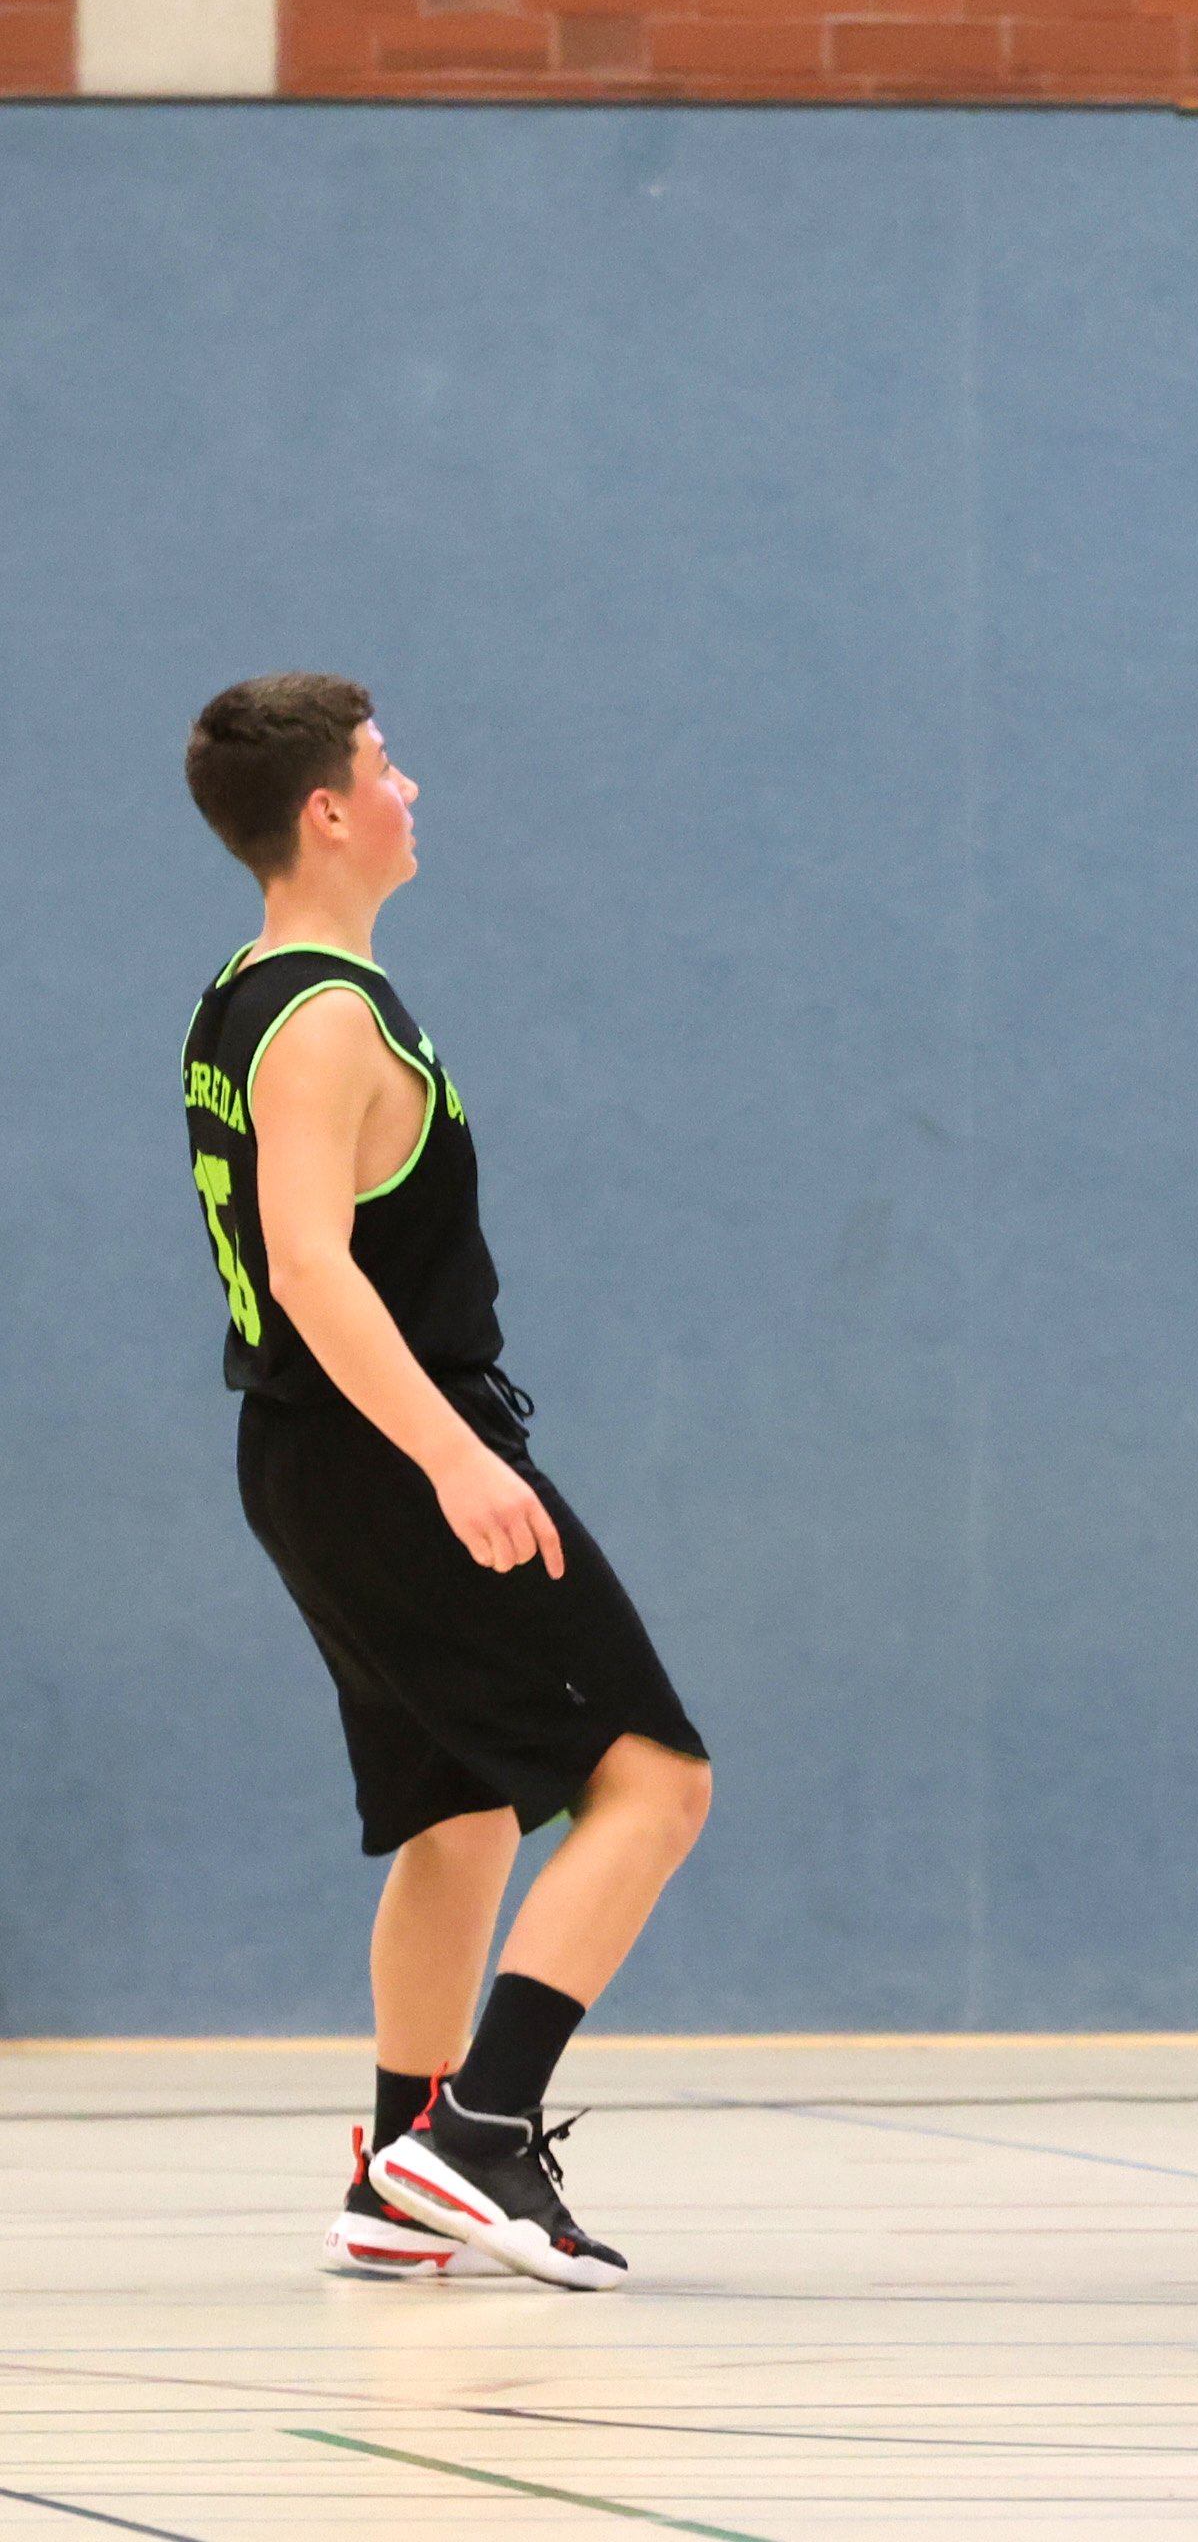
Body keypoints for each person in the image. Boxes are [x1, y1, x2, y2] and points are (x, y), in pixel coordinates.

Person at [178, 678, 711, 2291]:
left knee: (461, 1811)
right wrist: (455, 1456)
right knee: (653, 1782)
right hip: (388, 1451)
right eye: (386, 765)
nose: (411, 787)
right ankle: (478, 2134)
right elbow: (308, 1267)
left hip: (312, 1457)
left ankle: (395, 2165)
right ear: (327, 812)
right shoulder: (328, 1018)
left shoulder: (242, 994)